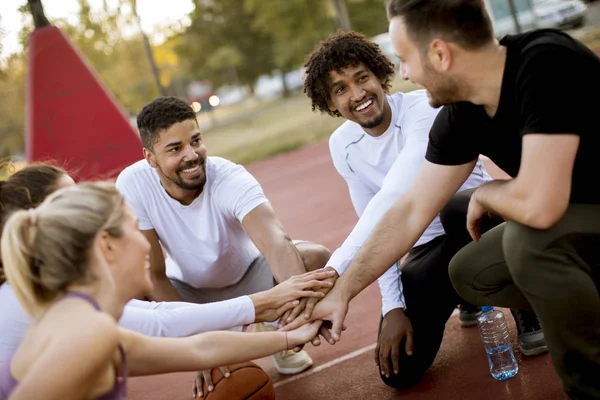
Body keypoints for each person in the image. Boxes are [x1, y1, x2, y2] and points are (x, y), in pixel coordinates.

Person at [287, 0, 600, 398]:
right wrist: (343, 290)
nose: (402, 73)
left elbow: (541, 205)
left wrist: (489, 190)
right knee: (469, 270)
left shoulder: (543, 61)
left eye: (404, 59)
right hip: (568, 218)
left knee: (526, 244)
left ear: (439, 54)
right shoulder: (461, 113)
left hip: (577, 213)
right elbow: (408, 209)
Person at [0, 163, 334, 397]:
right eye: (134, 228)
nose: (149, 243)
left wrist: (291, 336)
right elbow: (166, 325)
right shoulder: (82, 327)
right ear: (104, 244)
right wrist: (266, 304)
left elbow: (199, 347)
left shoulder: (87, 319)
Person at [115, 96, 331, 374]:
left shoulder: (228, 177)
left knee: (313, 259)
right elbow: (154, 274)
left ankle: (276, 331)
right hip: (189, 292)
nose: (191, 155)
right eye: (175, 149)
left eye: (195, 141)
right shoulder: (133, 184)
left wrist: (298, 311)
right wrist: (200, 352)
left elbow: (276, 242)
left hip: (249, 278)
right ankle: (230, 342)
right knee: (136, 295)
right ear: (150, 158)